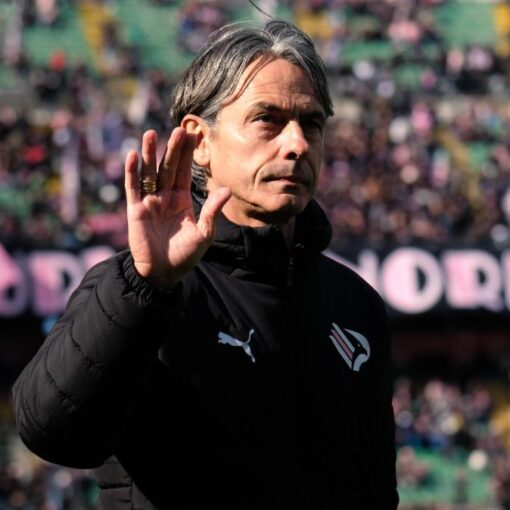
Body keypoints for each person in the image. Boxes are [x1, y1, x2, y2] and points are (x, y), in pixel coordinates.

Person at [12, 19, 399, 510]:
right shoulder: (142, 289)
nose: (298, 143)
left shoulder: (356, 305)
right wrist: (145, 288)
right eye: (268, 120)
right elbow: (53, 433)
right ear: (200, 142)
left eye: (312, 123)